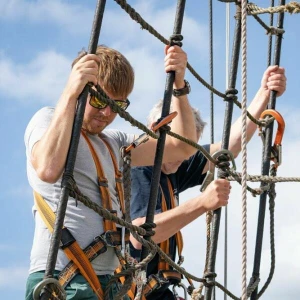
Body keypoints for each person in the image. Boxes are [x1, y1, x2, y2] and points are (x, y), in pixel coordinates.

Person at [24, 44, 198, 300]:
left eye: (116, 106)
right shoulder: (48, 120)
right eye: (99, 100)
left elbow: (182, 147)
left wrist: (179, 87)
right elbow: (48, 169)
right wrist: (70, 95)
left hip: (110, 285)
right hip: (61, 281)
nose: (106, 114)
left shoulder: (114, 142)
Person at [130, 65, 287, 300]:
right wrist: (203, 203)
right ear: (155, 133)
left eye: (189, 150)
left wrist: (264, 94)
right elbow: (142, 233)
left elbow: (228, 148)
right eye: (179, 146)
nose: (183, 157)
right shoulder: (138, 168)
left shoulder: (173, 165)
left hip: (155, 290)